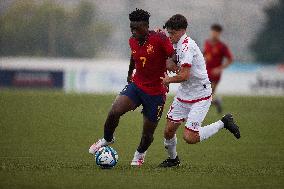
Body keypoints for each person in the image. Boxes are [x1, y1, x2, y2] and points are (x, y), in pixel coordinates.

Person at [89, 9, 177, 166]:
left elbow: (172, 54)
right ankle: (107, 139)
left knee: (147, 134)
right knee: (114, 111)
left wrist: (170, 63)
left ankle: (140, 153)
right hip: (137, 86)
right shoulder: (133, 40)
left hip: (156, 93)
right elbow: (133, 55)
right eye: (131, 28)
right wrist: (130, 73)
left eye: (136, 28)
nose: (133, 31)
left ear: (146, 26)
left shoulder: (159, 38)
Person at [159, 14, 240, 167]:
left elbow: (184, 75)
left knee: (190, 137)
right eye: (168, 33)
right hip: (184, 94)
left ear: (182, 31)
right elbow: (171, 62)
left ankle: (224, 122)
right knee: (168, 131)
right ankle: (173, 160)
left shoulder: (187, 46)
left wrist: (167, 80)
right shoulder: (176, 43)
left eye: (172, 33)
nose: (169, 36)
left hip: (200, 95)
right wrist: (164, 65)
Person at [203, 24, 233, 113]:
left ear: (219, 34)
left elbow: (230, 59)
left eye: (216, 32)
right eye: (213, 32)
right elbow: (204, 55)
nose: (214, 34)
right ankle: (217, 102)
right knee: (203, 97)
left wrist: (219, 69)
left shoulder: (222, 46)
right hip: (205, 73)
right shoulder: (207, 43)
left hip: (215, 75)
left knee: (206, 96)